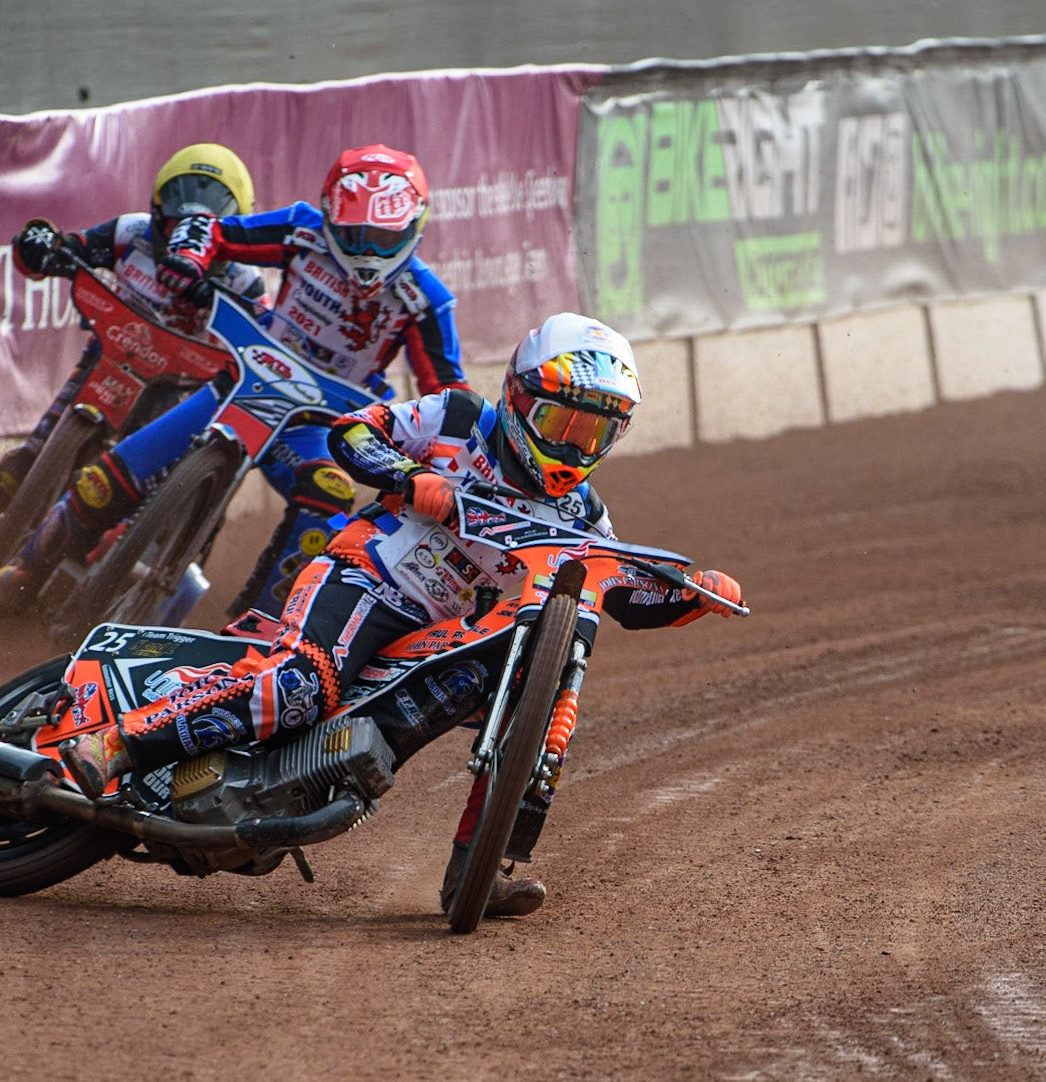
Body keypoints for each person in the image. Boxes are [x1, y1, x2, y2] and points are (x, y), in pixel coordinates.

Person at [59, 311, 746, 918]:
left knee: (536, 691)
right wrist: (409, 476)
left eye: (595, 433)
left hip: (435, 632)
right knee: (303, 685)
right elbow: (354, 432)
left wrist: (692, 593)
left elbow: (623, 594)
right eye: (560, 424)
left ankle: (483, 868)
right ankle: (119, 743)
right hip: (365, 577)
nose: (573, 447)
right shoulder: (459, 419)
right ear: (517, 398)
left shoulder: (584, 516)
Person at [0, 143, 470, 623]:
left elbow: (446, 393)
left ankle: (263, 624)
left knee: (329, 490)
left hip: (315, 423)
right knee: (108, 478)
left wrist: (455, 460)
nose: (366, 251)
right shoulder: (301, 230)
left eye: (381, 239)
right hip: (240, 386)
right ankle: (26, 569)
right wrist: (188, 262)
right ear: (328, 218)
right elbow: (218, 233)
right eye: (353, 235)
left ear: (414, 228)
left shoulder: (426, 299)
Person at [0, 143, 264, 596]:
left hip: (177, 390)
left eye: (206, 218)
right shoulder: (130, 232)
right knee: (25, 464)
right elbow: (71, 249)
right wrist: (43, 247)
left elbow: (258, 352)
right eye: (177, 211)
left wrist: (218, 310)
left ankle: (86, 584)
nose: (184, 230)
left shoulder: (243, 280)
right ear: (158, 207)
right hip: (107, 361)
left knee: (137, 495)